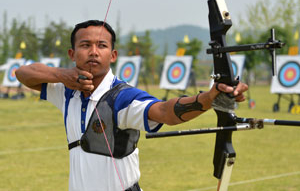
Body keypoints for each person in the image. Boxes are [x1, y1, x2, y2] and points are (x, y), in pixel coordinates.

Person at [15, 20, 248, 191]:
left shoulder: (123, 98)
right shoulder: (66, 90)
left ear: (113, 55)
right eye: (85, 45)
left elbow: (166, 111)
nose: (94, 52)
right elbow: (23, 73)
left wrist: (209, 98)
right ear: (72, 53)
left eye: (102, 46)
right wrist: (62, 75)